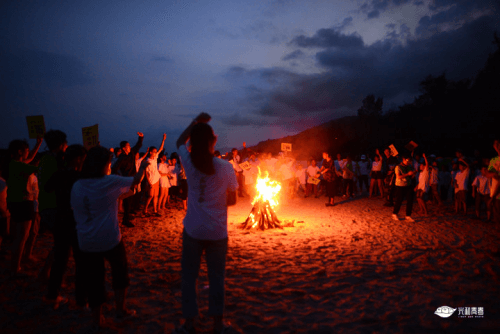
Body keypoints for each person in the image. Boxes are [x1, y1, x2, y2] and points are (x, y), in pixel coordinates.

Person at [71, 145, 149, 328]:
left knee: (94, 279)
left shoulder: (78, 184)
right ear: (103, 165)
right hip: (110, 239)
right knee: (120, 274)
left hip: (86, 240)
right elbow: (136, 180)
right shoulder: (109, 181)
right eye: (108, 163)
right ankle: (120, 311)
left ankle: (97, 319)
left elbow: (82, 207)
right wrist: (144, 167)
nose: (110, 166)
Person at [174, 113, 238, 334]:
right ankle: (218, 325)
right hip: (217, 232)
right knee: (216, 279)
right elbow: (232, 199)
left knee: (189, 278)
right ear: (214, 141)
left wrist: (194, 122)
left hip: (193, 229)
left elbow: (178, 142)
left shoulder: (189, 162)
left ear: (193, 141)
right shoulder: (226, 167)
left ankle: (190, 324)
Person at [45, 145, 88, 309]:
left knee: (60, 260)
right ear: (78, 158)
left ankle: (52, 295)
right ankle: (81, 300)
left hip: (60, 219)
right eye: (83, 158)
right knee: (81, 261)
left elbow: (47, 188)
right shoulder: (80, 176)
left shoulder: (59, 174)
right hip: (77, 221)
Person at [7, 138, 43, 275]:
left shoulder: (13, 164)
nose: (29, 152)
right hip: (22, 203)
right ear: (20, 151)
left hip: (14, 202)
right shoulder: (18, 165)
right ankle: (15, 268)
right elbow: (38, 169)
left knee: (19, 236)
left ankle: (15, 265)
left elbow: (32, 157)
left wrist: (38, 143)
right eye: (26, 150)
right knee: (22, 237)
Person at [111, 132, 144, 227]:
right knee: (127, 200)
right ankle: (125, 219)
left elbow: (138, 145)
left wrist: (141, 137)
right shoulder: (121, 158)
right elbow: (114, 169)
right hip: (126, 181)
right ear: (123, 148)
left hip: (132, 179)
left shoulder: (132, 153)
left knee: (129, 199)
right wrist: (120, 178)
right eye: (128, 146)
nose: (130, 147)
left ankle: (126, 216)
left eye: (129, 145)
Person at [143, 134, 166, 217]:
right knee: (150, 196)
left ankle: (155, 210)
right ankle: (145, 209)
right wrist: (149, 182)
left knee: (156, 195)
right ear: (150, 152)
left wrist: (163, 140)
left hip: (156, 178)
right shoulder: (147, 161)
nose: (156, 153)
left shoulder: (155, 157)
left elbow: (160, 149)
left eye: (156, 152)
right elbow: (146, 173)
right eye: (154, 151)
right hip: (151, 180)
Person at [392, 154, 416, 222]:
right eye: (408, 160)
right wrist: (408, 174)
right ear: (403, 159)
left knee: (410, 201)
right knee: (399, 200)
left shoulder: (409, 167)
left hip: (408, 185)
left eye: (410, 160)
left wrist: (413, 174)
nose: (409, 162)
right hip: (400, 186)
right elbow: (398, 177)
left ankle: (408, 216)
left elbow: (410, 176)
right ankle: (394, 214)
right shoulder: (398, 167)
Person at [487, 139, 500, 223]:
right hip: (495, 194)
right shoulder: (493, 160)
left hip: (496, 195)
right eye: (496, 144)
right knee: (497, 219)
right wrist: (494, 175)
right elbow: (487, 173)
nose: (498, 145)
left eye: (499, 143)